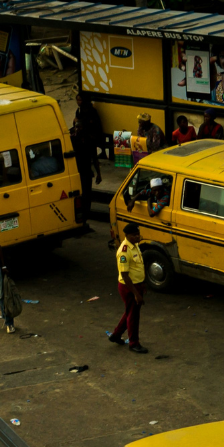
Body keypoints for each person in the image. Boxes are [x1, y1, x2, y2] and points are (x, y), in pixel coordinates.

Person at [110, 223, 148, 354]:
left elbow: (137, 267)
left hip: (137, 284)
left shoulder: (134, 245)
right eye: (134, 235)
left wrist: (142, 285)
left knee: (129, 312)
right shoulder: (124, 251)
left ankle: (116, 335)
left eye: (138, 234)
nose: (138, 237)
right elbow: (125, 276)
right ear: (127, 236)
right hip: (129, 287)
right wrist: (136, 294)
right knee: (133, 316)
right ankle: (134, 343)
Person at [70, 118, 102, 218]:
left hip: (86, 172)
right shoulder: (71, 140)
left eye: (79, 127)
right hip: (76, 172)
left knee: (87, 195)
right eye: (76, 127)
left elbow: (95, 158)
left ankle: (85, 214)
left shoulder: (89, 140)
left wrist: (98, 174)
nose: (77, 129)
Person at [74, 92, 105, 158]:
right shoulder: (79, 110)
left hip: (91, 134)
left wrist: (80, 122)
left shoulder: (91, 111)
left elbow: (91, 123)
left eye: (80, 100)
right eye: (77, 100)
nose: (78, 102)